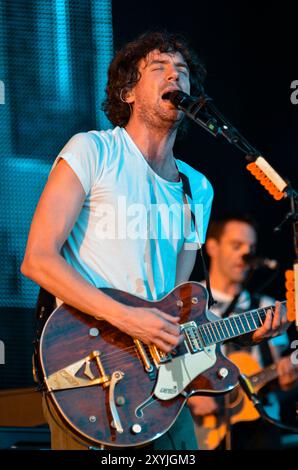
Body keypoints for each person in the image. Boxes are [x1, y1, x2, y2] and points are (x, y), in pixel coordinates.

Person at [21, 31, 288, 450]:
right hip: (87, 365)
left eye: (182, 72)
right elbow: (37, 259)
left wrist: (246, 331)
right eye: (159, 68)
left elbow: (179, 305)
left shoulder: (196, 188)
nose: (175, 77)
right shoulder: (92, 151)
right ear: (128, 91)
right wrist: (125, 318)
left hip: (157, 383)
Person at [188, 214, 297, 449]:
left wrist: (289, 381)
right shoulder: (190, 303)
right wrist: (189, 397)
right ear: (212, 247)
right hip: (202, 431)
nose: (245, 254)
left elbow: (286, 376)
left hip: (260, 428)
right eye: (237, 246)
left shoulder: (270, 308)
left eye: (251, 248)